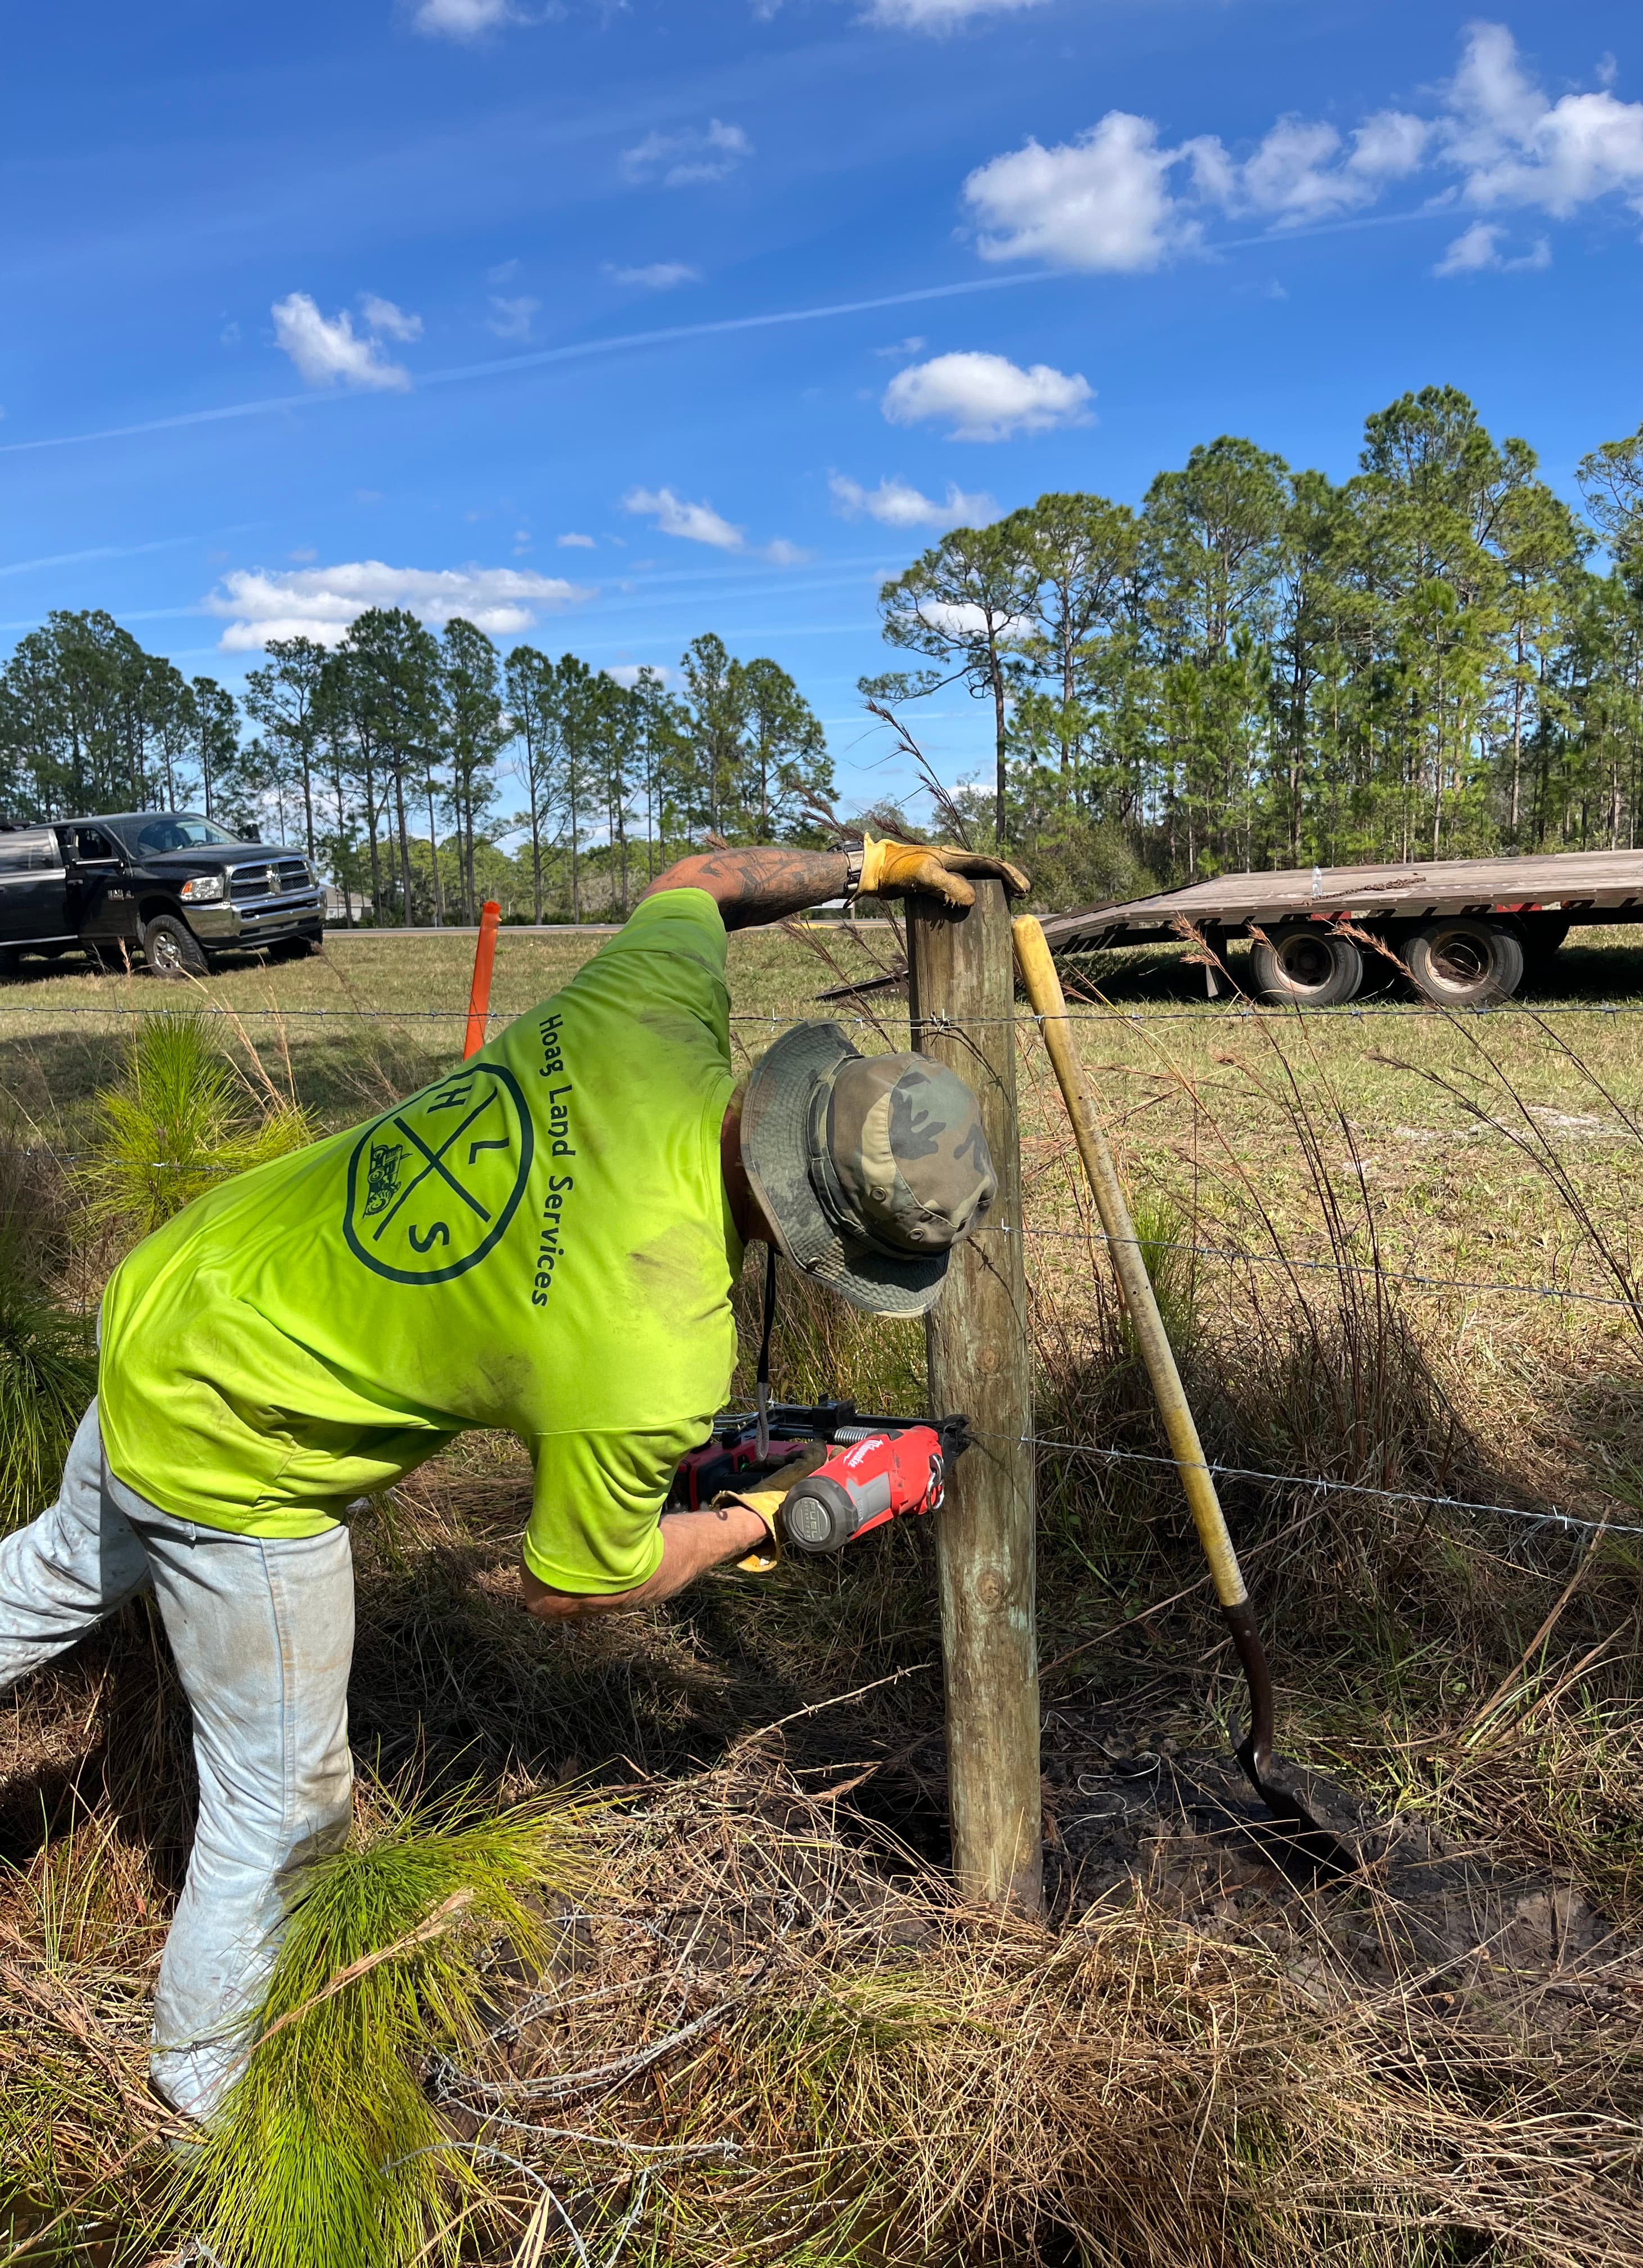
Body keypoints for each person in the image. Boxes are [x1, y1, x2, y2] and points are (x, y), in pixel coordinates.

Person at [0, 836, 1025, 2120]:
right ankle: (209, 2111)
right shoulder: (657, 1344)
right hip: (242, 1447)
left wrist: (866, 864)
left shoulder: (647, 1011)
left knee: (60, 1563)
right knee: (280, 1805)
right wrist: (763, 1517)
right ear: (823, 1238)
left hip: (181, 1289)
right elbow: (574, 1589)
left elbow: (701, 879)